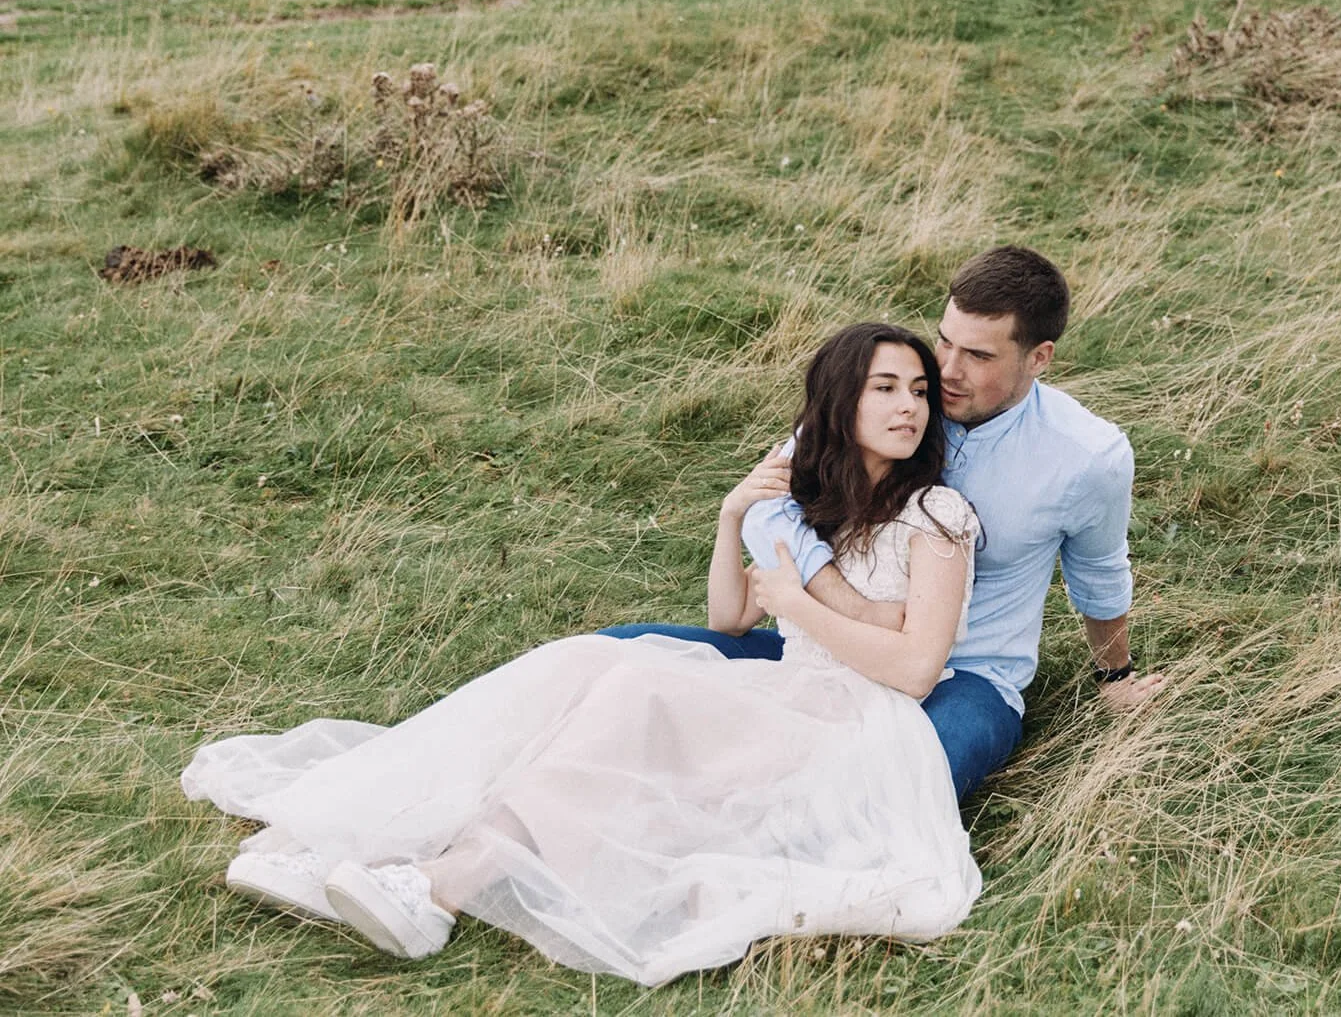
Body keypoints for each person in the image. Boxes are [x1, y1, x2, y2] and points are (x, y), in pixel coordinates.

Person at [181, 325, 983, 985]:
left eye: (917, 390)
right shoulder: (809, 506)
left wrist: (802, 603)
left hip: (854, 719)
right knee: (582, 670)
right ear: (840, 401)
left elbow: (915, 668)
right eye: (885, 386)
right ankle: (355, 839)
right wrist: (730, 514)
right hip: (784, 687)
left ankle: (434, 892)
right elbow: (731, 616)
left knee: (633, 694)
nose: (908, 405)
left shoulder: (937, 514)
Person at [603, 246, 1167, 802]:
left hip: (964, 676)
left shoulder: (1087, 458)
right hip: (821, 651)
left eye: (978, 355)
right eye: (944, 340)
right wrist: (837, 596)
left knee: (887, 788)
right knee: (618, 658)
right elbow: (775, 499)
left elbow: (1098, 573)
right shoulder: (892, 400)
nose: (946, 370)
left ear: (1039, 358)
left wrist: (1113, 677)